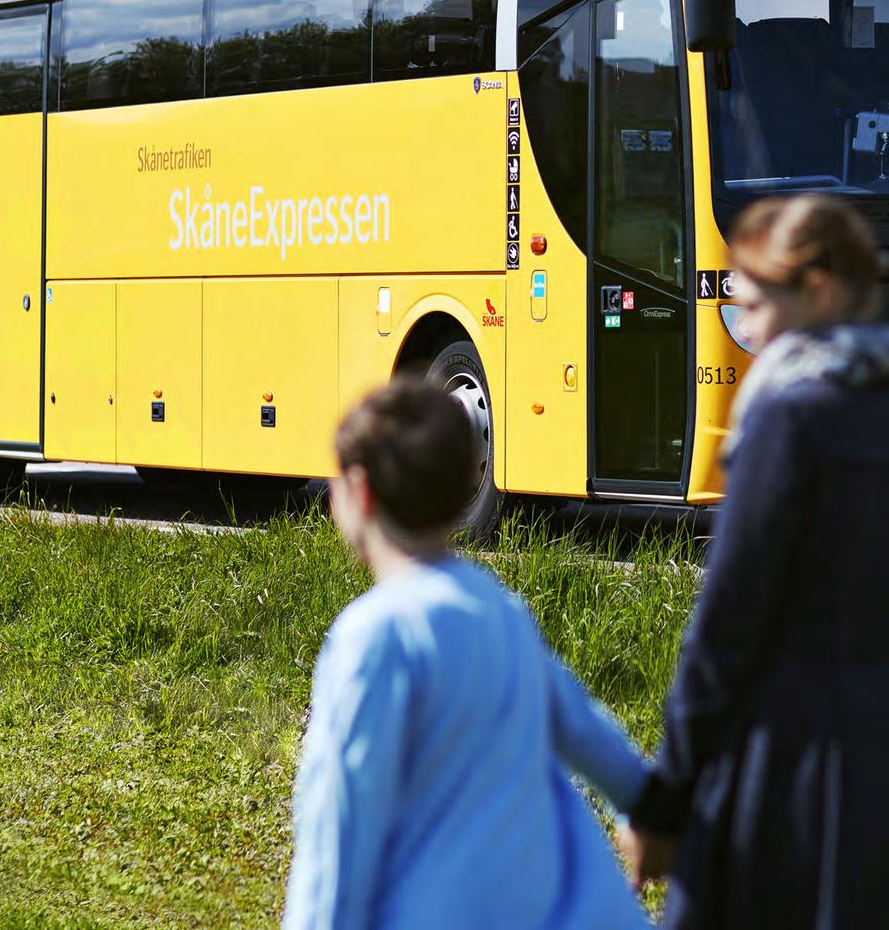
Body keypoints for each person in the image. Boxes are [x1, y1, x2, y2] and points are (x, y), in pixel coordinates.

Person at [619, 194, 889, 930]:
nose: (748, 330)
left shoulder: (786, 420)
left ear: (819, 290)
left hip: (787, 769)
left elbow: (724, 632)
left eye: (754, 306)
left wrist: (664, 803)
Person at [281, 378, 657, 930]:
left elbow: (339, 827)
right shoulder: (500, 609)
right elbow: (586, 730)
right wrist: (647, 808)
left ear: (359, 493)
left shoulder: (374, 637)